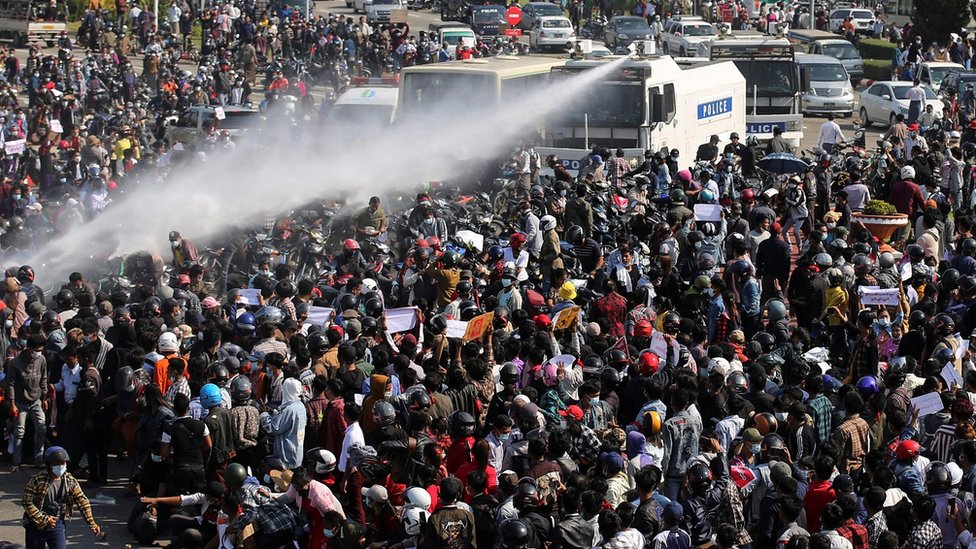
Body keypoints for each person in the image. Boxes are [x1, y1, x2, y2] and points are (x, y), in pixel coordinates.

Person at [22, 446, 101, 548]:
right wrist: (44, 519)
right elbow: (27, 502)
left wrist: (92, 523)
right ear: (49, 465)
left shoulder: (70, 481)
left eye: (63, 463)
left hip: (57, 523)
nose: (60, 466)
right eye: (56, 464)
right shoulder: (37, 480)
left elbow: (82, 501)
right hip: (36, 525)